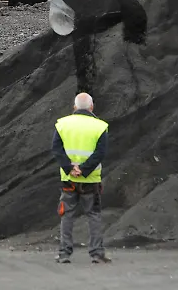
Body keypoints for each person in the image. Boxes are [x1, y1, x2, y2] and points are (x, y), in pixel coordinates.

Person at [51, 92, 111, 264]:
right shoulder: (99, 126)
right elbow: (101, 153)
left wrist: (70, 168)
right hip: (91, 180)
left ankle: (64, 254)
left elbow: (56, 149)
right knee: (93, 214)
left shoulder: (62, 124)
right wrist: (83, 170)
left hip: (68, 180)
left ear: (74, 107)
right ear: (91, 107)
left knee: (67, 215)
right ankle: (96, 254)